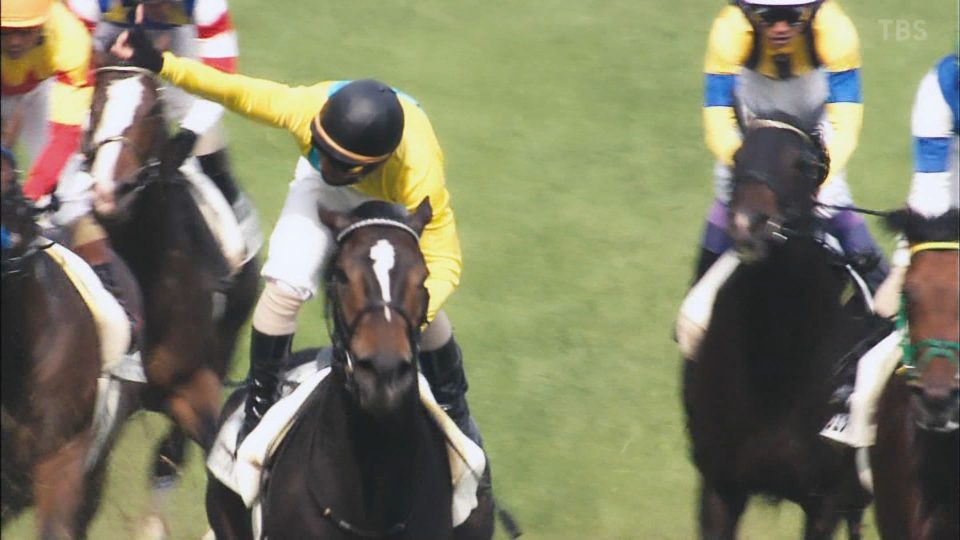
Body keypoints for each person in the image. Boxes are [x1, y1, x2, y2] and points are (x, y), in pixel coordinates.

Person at [111, 20, 485, 448]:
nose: (326, 162)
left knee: (408, 292)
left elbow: (445, 261)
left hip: (390, 201)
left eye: (339, 162)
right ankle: (259, 407)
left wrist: (406, 315)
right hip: (321, 192)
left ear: (378, 162)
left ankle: (455, 407)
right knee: (284, 287)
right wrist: (160, 62)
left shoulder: (418, 174)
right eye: (319, 149)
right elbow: (233, 90)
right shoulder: (305, 110)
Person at [677, 0, 887, 360]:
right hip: (754, 124)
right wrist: (749, 168)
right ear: (749, 13)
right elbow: (717, 120)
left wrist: (820, 173)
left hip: (813, 120)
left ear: (810, 12)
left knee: (833, 197)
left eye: (792, 17)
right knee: (728, 197)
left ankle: (883, 298)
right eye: (767, 16)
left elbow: (845, 124)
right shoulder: (729, 30)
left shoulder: (835, 30)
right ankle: (696, 302)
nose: (779, 28)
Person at [822, 52, 960, 456]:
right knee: (886, 305)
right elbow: (931, 188)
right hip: (939, 213)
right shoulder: (942, 85)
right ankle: (852, 406)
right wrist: (911, 260)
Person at [67, 0, 260, 258]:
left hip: (180, 38)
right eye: (155, 3)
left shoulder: (207, 6)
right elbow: (67, 75)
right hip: (106, 31)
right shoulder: (87, 3)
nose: (162, 10)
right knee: (77, 137)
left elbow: (222, 83)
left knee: (206, 145)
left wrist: (190, 133)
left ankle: (240, 239)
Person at [1, 0, 136, 333]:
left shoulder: (70, 38)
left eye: (25, 32)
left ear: (43, 23)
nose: (14, 42)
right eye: (5, 32)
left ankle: (113, 301)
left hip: (42, 90)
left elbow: (64, 135)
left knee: (69, 192)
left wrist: (32, 194)